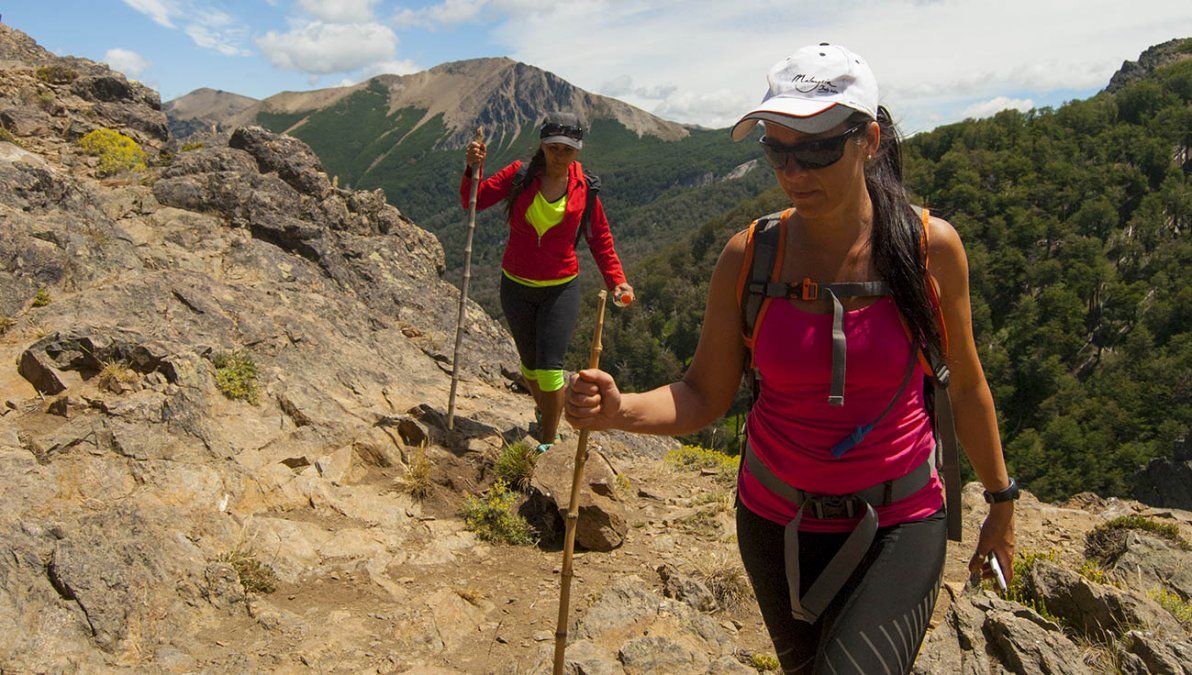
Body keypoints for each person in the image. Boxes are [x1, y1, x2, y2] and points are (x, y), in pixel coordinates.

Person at [564, 44, 1016, 673]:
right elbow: (703, 394)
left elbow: (964, 386)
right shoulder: (749, 257)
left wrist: (1001, 499)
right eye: (777, 151)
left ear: (869, 141)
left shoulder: (927, 249)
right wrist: (618, 410)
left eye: (818, 150)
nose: (794, 172)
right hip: (773, 524)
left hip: (900, 522)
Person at [462, 112, 634, 453]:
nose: (559, 154)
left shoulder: (585, 188)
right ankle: (544, 411)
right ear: (542, 145)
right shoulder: (519, 175)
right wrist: (472, 169)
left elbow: (599, 237)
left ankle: (548, 441)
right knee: (529, 367)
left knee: (550, 368)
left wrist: (618, 281)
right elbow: (474, 201)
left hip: (561, 288)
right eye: (554, 147)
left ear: (577, 150)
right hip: (516, 287)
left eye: (567, 149)